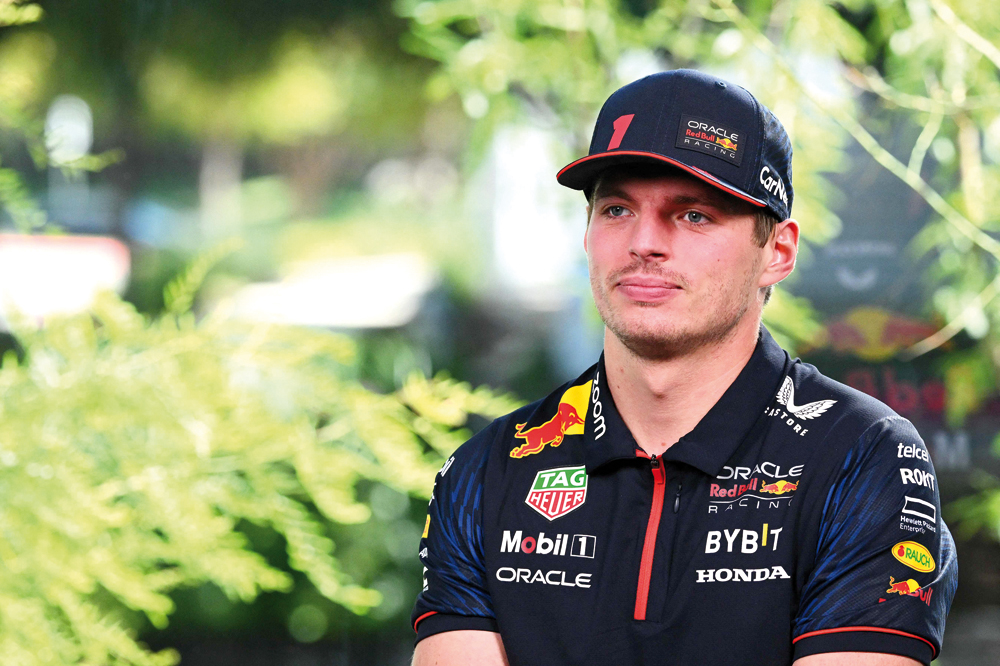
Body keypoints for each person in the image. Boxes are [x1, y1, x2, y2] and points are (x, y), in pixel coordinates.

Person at [409, 69, 957, 666]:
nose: (644, 242)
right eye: (616, 209)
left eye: (693, 215)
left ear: (777, 252)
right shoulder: (489, 469)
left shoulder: (862, 455)